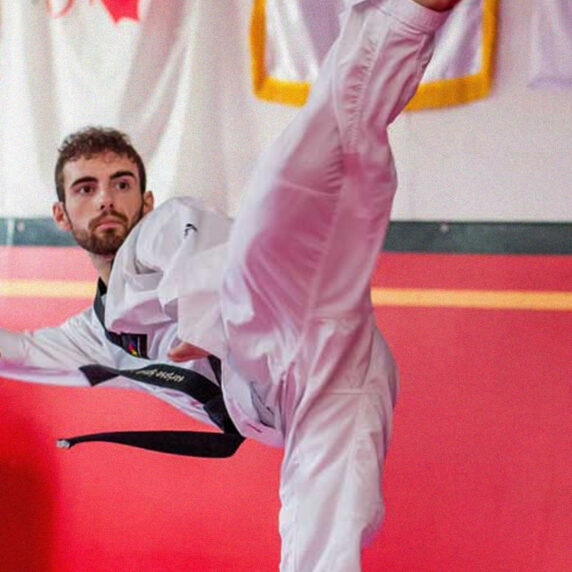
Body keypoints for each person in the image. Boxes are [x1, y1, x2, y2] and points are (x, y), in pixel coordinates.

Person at [0, 0, 461, 569]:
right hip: (314, 398)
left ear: (143, 199)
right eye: (86, 189)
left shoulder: (163, 227)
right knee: (318, 548)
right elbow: (18, 351)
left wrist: (206, 322)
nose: (105, 199)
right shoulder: (94, 338)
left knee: (300, 164)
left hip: (275, 310)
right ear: (61, 215)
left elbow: (201, 257)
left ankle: (412, 14)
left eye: (120, 184)